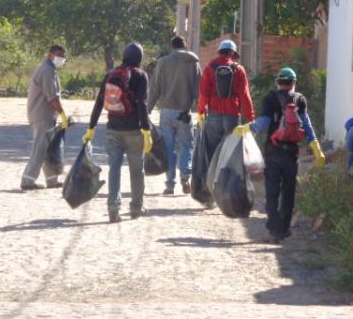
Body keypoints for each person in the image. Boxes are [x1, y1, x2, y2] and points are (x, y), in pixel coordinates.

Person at [235, 67, 325, 242]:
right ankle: (283, 229)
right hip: (291, 153)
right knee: (289, 191)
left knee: (272, 191)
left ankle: (274, 228)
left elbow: (263, 123)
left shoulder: (270, 98)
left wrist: (246, 129)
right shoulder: (300, 100)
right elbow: (306, 125)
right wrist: (317, 148)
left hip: (273, 151)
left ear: (278, 82)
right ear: (294, 83)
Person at [82, 42, 152, 223]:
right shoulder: (140, 75)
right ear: (139, 58)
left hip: (113, 129)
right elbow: (142, 105)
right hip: (134, 131)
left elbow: (98, 103)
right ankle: (136, 207)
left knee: (114, 169)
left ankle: (113, 208)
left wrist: (91, 127)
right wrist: (146, 130)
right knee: (137, 170)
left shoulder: (110, 75)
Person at [147, 36, 201, 195]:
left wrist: (148, 108)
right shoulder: (193, 63)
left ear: (171, 47)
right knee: (186, 145)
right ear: (185, 47)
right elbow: (199, 90)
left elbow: (155, 87)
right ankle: (185, 177)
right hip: (185, 113)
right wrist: (202, 110)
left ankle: (170, 184)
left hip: (166, 112)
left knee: (168, 148)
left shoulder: (163, 62)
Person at [197, 39, 255, 162]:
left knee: (212, 155)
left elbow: (203, 94)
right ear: (232, 54)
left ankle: (210, 179)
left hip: (213, 117)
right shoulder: (239, 70)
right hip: (232, 117)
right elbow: (244, 96)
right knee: (230, 157)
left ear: (219, 52)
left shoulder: (209, 68)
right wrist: (250, 118)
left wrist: (201, 112)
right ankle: (225, 180)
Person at [21, 44, 69, 190]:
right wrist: (63, 115)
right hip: (42, 115)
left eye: (64, 57)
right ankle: (27, 180)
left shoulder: (48, 68)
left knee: (49, 149)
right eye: (60, 56)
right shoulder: (47, 70)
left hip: (44, 115)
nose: (62, 59)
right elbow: (53, 98)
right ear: (51, 55)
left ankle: (52, 180)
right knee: (40, 149)